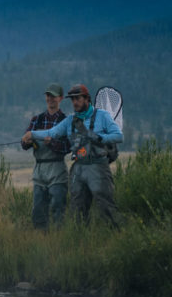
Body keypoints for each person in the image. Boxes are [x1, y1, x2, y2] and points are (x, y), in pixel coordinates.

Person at [23, 84, 123, 227]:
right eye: (72, 100)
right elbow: (52, 132)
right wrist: (31, 134)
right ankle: (79, 240)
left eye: (78, 99)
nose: (75, 102)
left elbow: (118, 136)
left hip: (98, 166)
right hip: (78, 167)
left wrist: (100, 138)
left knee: (106, 206)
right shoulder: (70, 121)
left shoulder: (102, 116)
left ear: (87, 99)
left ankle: (117, 235)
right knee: (77, 211)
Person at [21, 83, 70, 229]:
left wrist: (52, 143)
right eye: (48, 95)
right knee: (38, 211)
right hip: (39, 170)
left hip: (57, 170)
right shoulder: (37, 120)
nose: (50, 99)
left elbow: (68, 147)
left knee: (57, 208)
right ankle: (41, 240)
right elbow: (23, 145)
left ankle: (58, 239)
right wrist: (27, 141)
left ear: (60, 98)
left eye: (53, 96)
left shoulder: (65, 121)